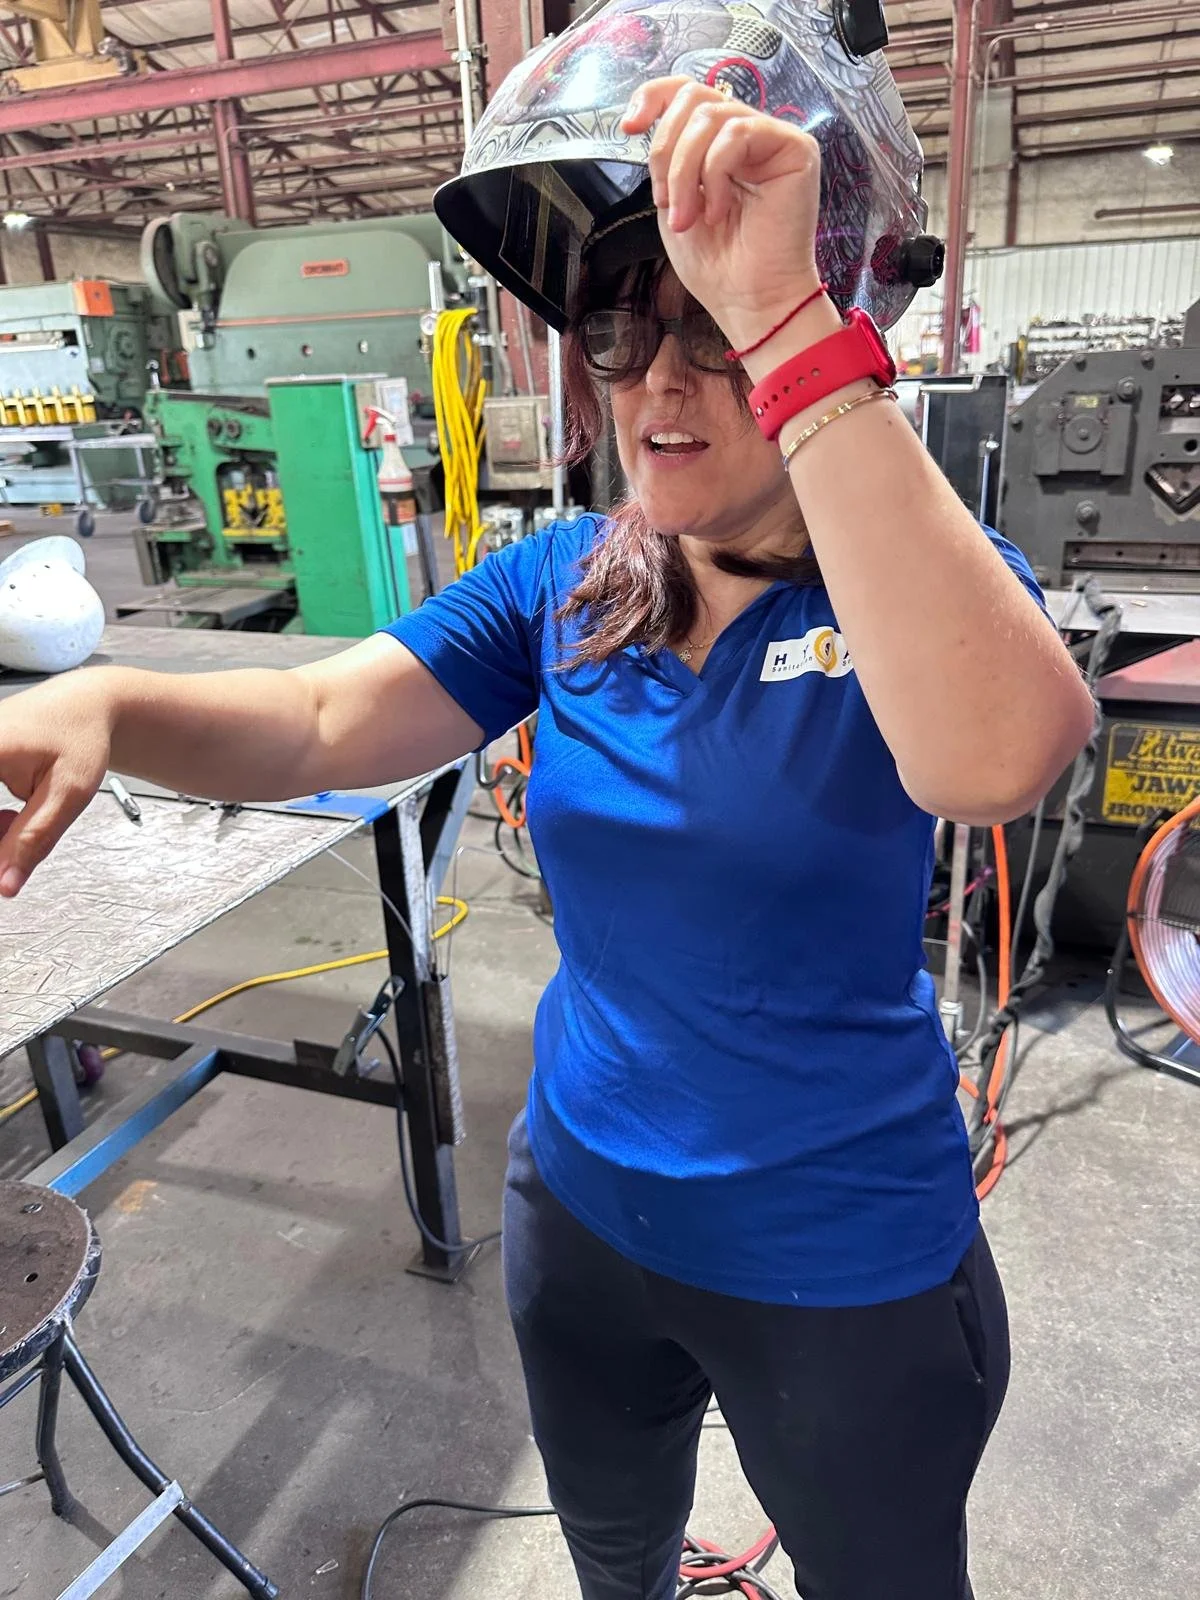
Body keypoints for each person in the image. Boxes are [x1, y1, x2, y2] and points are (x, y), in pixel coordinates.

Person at [0, 58, 1092, 1600]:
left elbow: (1000, 755)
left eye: (710, 330)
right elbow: (321, 725)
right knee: (617, 1565)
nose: (653, 383)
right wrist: (109, 700)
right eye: (620, 332)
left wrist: (788, 327)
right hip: (583, 1224)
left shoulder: (912, 588)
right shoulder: (573, 581)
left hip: (844, 1271)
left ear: (823, 327)